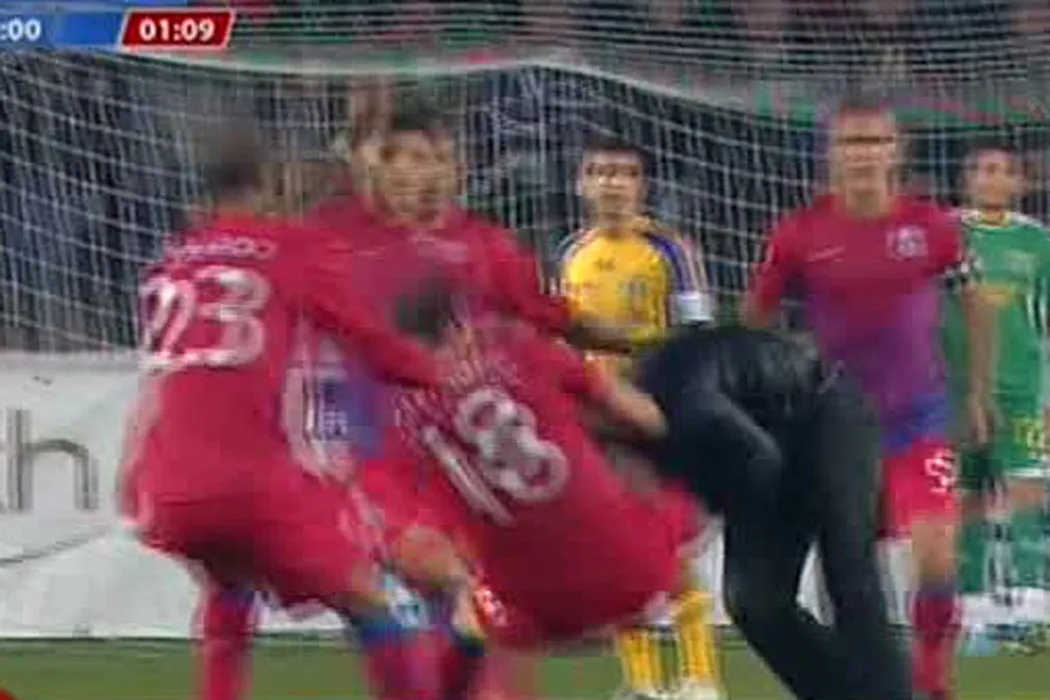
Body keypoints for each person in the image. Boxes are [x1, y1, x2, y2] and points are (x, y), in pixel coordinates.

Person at [117, 131, 441, 700]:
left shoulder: (172, 260)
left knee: (229, 583)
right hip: (248, 482)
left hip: (159, 481)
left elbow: (165, 374)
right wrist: (440, 375)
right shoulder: (288, 248)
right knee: (371, 600)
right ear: (269, 186)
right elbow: (370, 340)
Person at [742, 93, 993, 700]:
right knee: (850, 571)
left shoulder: (931, 227)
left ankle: (931, 680)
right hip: (834, 427)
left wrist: (977, 392)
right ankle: (854, 681)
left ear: (895, 152)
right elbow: (755, 318)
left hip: (917, 416)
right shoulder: (800, 233)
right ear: (830, 154)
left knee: (937, 555)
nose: (863, 154)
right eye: (851, 143)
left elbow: (975, 302)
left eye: (875, 142)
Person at [386, 283, 687, 652]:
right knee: (664, 472)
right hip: (636, 572)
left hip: (530, 608)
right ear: (456, 327)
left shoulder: (395, 417)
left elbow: (410, 533)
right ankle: (647, 604)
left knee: (468, 611)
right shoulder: (524, 352)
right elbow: (650, 420)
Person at [635, 324, 912, 700]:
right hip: (771, 432)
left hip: (826, 407)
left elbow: (761, 460)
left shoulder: (689, 410)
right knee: (755, 603)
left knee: (849, 573)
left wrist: (709, 516)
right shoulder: (648, 420)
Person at [556, 137, 720, 699]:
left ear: (641, 186)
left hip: (654, 416)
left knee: (663, 548)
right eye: (600, 172)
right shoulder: (571, 252)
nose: (612, 183)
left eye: (624, 173)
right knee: (617, 555)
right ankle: (643, 683)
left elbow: (698, 338)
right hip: (594, 421)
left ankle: (700, 678)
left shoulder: (671, 251)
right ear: (582, 184)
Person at [945, 139, 1050, 651]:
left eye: (1001, 171)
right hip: (956, 389)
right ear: (967, 180)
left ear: (1019, 183)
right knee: (966, 496)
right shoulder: (945, 233)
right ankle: (973, 612)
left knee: (1027, 489)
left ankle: (1031, 606)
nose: (991, 178)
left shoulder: (1038, 242)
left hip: (1021, 387)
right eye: (982, 170)